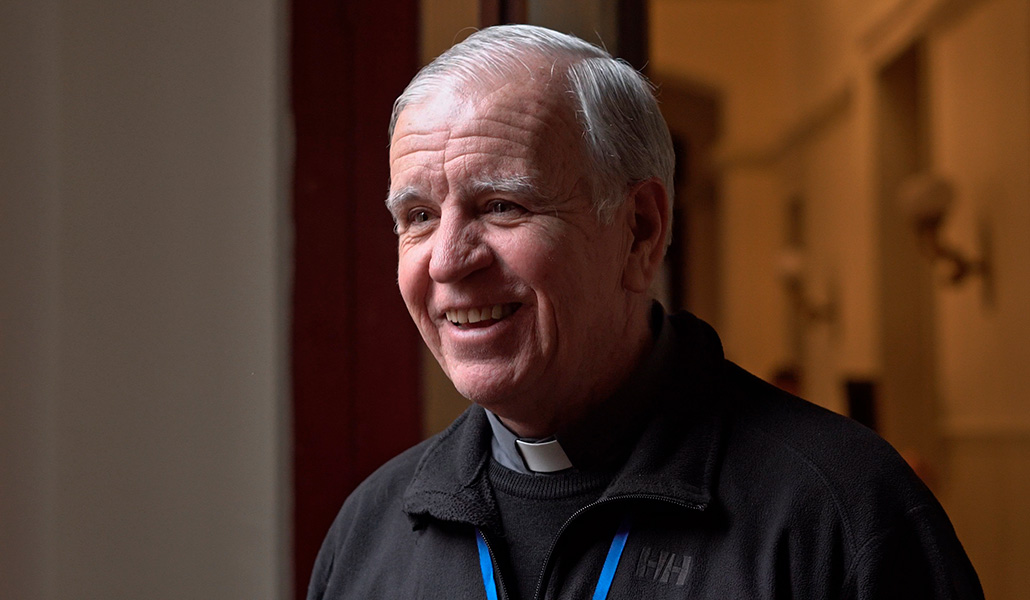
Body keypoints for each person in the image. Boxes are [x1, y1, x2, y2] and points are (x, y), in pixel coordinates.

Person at [307, 24, 983, 600]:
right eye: (418, 217)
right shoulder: (368, 533)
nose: (449, 261)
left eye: (502, 205)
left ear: (640, 230)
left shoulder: (844, 513)